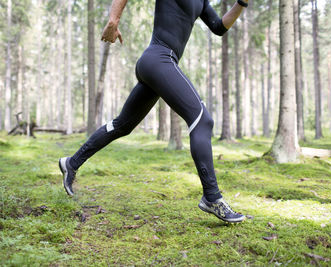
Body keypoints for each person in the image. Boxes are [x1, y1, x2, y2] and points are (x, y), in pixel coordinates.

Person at [59, 0, 249, 223]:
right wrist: (113, 20)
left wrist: (241, 4)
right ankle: (212, 197)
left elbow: (218, 27)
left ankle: (71, 163)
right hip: (159, 58)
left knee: (122, 125)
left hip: (158, 63)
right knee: (202, 121)